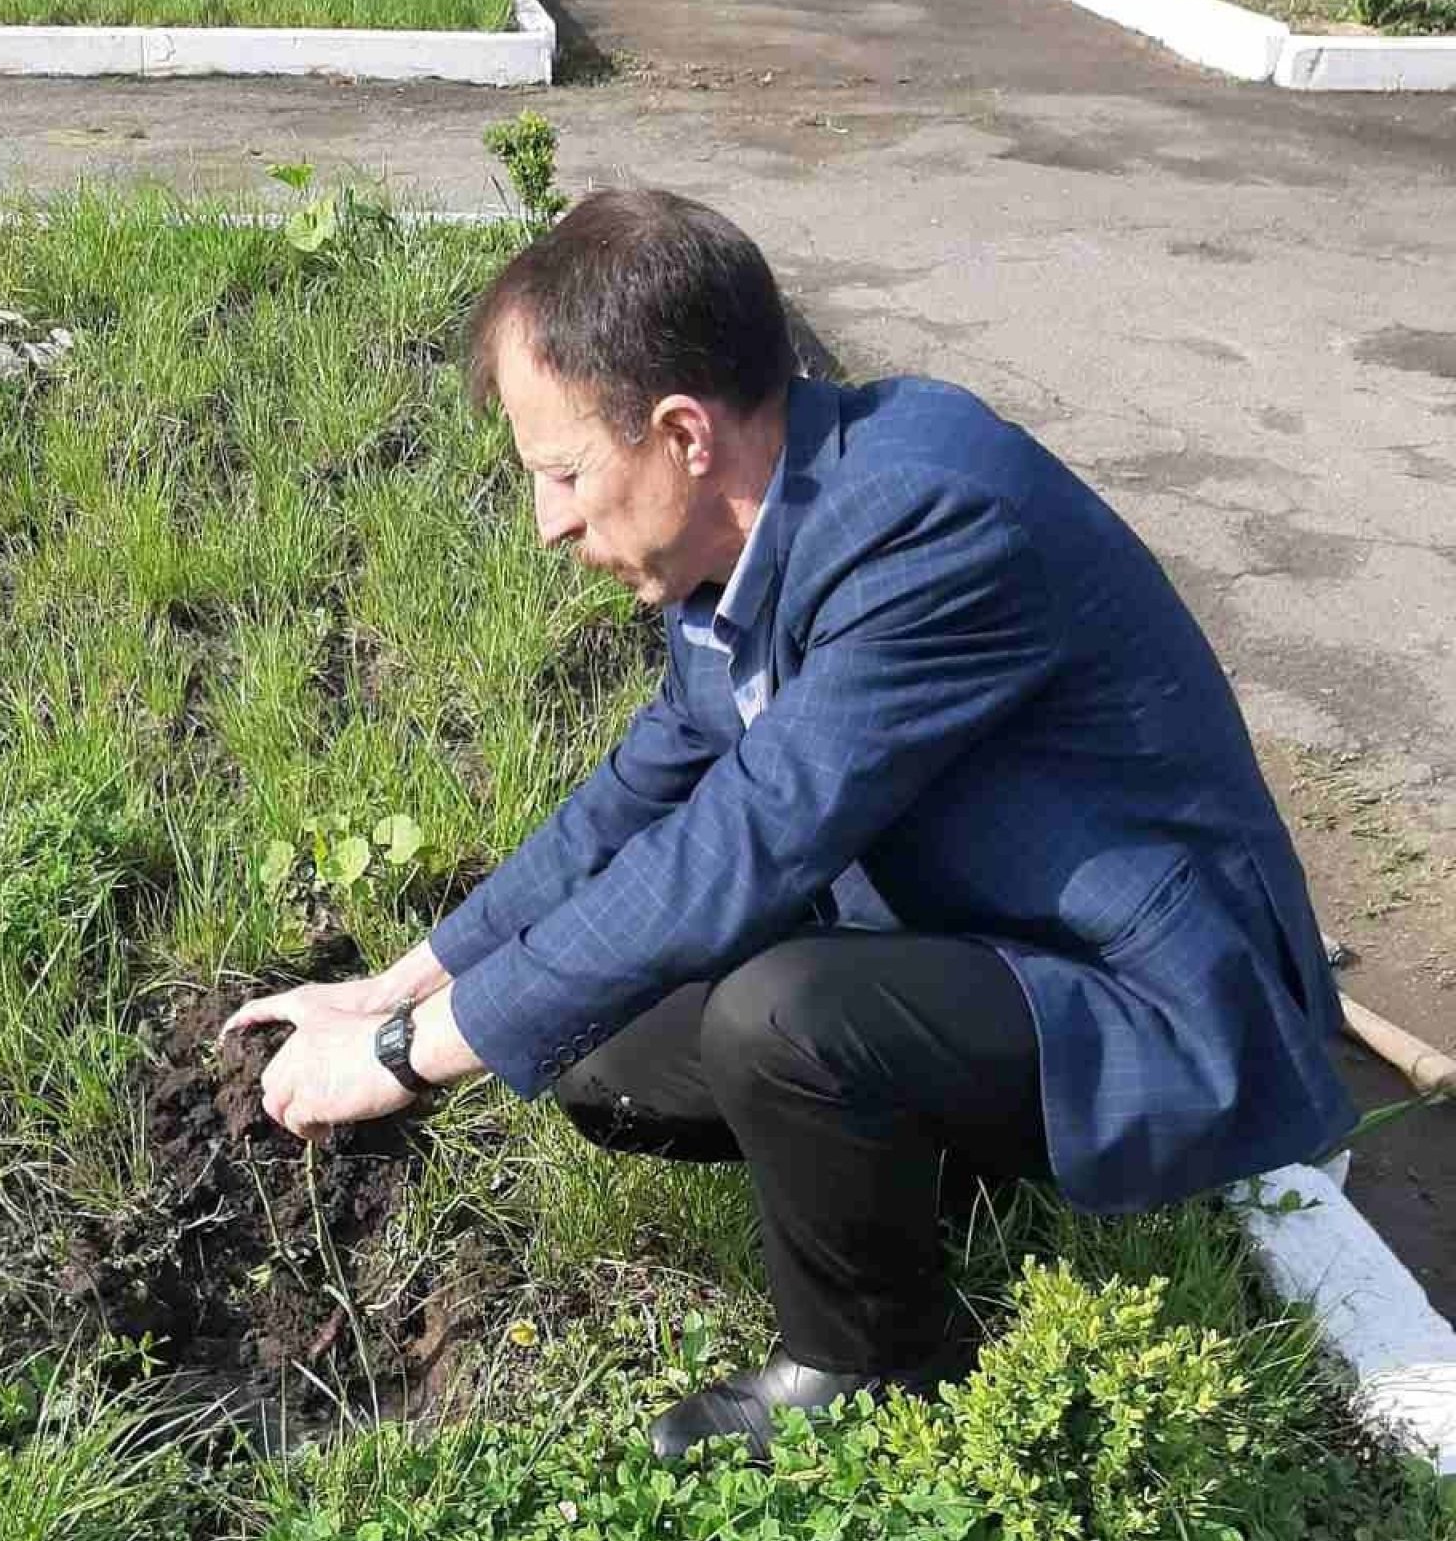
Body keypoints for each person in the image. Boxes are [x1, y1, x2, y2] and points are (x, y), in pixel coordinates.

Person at [225, 188, 1353, 1461]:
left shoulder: (932, 523)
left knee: (781, 1018)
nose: (548, 523)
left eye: (563, 474)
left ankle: (875, 1362)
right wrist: (395, 989)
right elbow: (642, 795)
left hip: (1158, 996)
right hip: (977, 932)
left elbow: (741, 847)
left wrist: (398, 1061)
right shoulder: (744, 535)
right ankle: (924, 1157)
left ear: (682, 434)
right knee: (604, 1049)